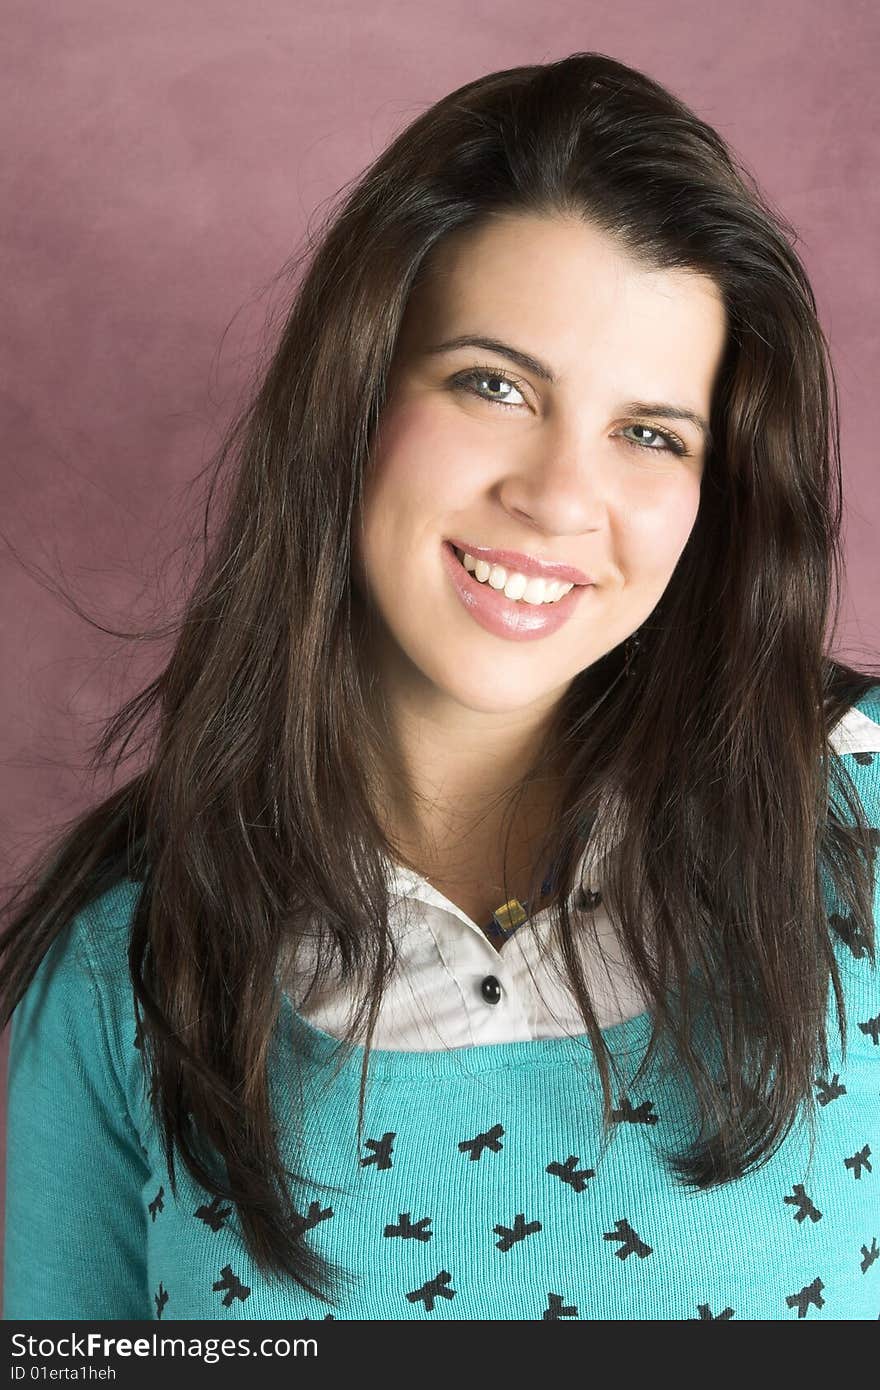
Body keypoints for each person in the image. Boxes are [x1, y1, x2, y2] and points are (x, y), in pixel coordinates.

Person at [2, 51, 878, 1323]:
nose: (558, 496)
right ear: (353, 400)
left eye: (649, 432)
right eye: (494, 384)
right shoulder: (122, 963)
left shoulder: (864, 826)